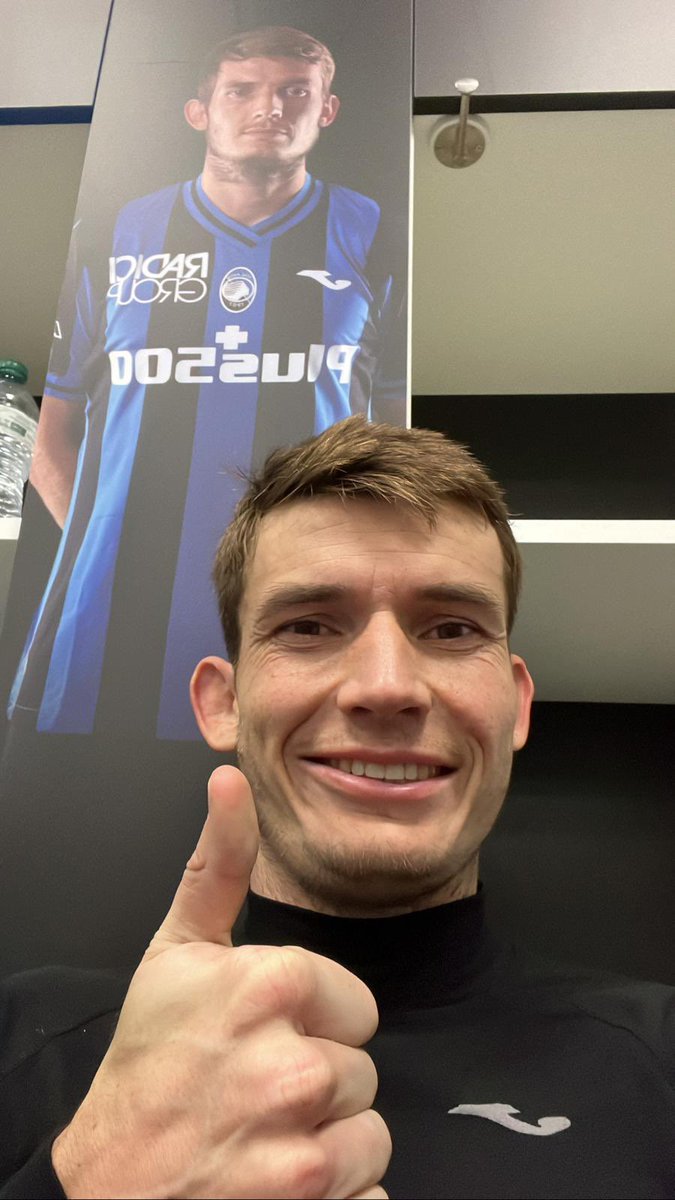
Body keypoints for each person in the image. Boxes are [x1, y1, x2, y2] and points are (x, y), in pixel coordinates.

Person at [1, 418, 673, 1199]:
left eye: (451, 629)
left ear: (516, 706)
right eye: (308, 627)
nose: (386, 686)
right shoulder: (22, 1041)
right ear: (223, 703)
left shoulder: (657, 1055)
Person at [8, 25, 405, 741]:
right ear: (199, 111)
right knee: (91, 796)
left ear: (327, 109)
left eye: (294, 92)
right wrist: (111, 546)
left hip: (302, 610)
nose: (269, 108)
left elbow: (392, 439)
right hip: (111, 617)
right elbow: (52, 437)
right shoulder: (112, 233)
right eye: (241, 91)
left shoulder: (374, 233)